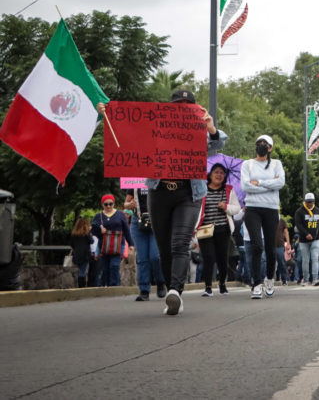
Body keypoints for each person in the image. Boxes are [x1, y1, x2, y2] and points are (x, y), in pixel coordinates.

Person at [100, 91, 227, 316]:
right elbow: (129, 137)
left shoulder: (199, 133)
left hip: (189, 195)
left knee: (179, 242)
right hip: (159, 193)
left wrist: (210, 128)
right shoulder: (155, 131)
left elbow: (218, 143)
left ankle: (176, 291)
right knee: (164, 248)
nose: (183, 108)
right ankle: (171, 291)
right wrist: (109, 115)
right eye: (179, 105)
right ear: (170, 109)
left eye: (189, 105)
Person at [241, 134, 286, 299]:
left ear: (270, 148)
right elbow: (245, 185)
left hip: (271, 208)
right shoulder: (248, 164)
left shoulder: (276, 164)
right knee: (256, 246)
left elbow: (280, 183)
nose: (261, 145)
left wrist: (258, 183)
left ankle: (269, 278)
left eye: (265, 144)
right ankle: (256, 283)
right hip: (252, 208)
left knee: (270, 247)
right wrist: (269, 185)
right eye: (258, 143)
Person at [197, 163, 240, 296]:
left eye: (222, 173)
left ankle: (222, 283)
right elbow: (196, 209)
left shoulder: (228, 190)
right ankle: (208, 286)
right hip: (205, 229)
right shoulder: (202, 189)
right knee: (208, 257)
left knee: (222, 258)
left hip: (223, 229)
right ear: (210, 174)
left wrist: (226, 206)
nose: (219, 175)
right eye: (216, 172)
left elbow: (236, 208)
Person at [125, 187, 166, 301]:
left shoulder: (158, 180)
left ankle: (160, 282)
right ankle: (144, 290)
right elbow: (126, 203)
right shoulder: (135, 181)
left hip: (156, 220)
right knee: (142, 258)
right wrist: (130, 205)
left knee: (155, 256)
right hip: (137, 221)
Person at [91, 194, 134, 287]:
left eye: (110, 204)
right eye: (106, 204)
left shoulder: (120, 215)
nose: (108, 206)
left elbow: (126, 229)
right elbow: (93, 230)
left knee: (114, 266)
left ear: (113, 204)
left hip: (118, 245)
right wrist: (99, 229)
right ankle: (105, 286)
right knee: (105, 268)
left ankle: (114, 286)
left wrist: (131, 244)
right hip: (104, 246)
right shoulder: (98, 216)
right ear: (102, 205)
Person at [294, 193, 319, 286]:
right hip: (303, 240)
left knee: (315, 258)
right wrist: (306, 234)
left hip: (315, 239)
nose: (310, 204)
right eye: (308, 202)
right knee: (305, 260)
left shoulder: (318, 211)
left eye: (311, 202)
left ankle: (315, 279)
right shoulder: (299, 212)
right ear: (305, 202)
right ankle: (306, 279)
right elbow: (299, 225)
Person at [70, 217, 93, 289]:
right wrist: (89, 232)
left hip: (76, 255)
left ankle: (81, 285)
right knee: (83, 272)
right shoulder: (86, 234)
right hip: (85, 255)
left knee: (80, 270)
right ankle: (82, 286)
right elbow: (92, 241)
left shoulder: (74, 234)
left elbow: (71, 244)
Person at [275, 216, 291, 286]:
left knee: (281, 262)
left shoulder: (282, 221)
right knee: (267, 262)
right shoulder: (267, 219)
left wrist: (288, 243)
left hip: (280, 245)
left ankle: (285, 280)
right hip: (269, 245)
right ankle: (265, 279)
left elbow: (286, 232)